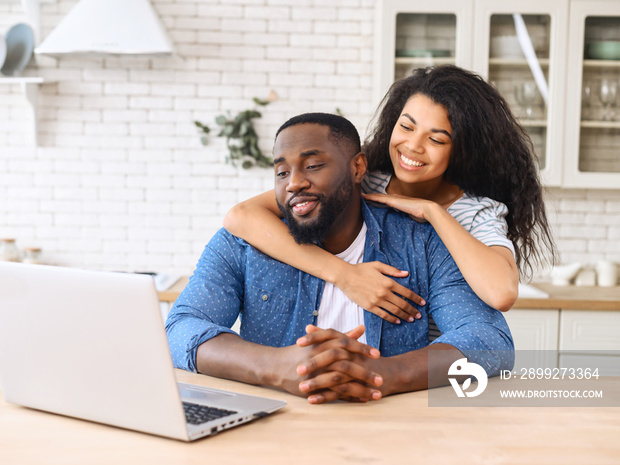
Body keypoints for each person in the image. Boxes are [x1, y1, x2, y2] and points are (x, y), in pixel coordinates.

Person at [166, 112, 514, 404]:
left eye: (313, 165)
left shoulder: (420, 241)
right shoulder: (242, 244)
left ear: (359, 167)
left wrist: (385, 373)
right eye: (282, 172)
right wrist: (275, 366)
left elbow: (489, 340)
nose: (294, 183)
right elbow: (181, 329)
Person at [223, 65, 557, 328]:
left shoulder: (477, 212)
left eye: (437, 139)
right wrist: (344, 275)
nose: (413, 146)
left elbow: (502, 293)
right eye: (407, 127)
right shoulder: (362, 180)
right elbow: (240, 216)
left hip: (433, 367)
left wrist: (432, 212)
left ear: (462, 150)